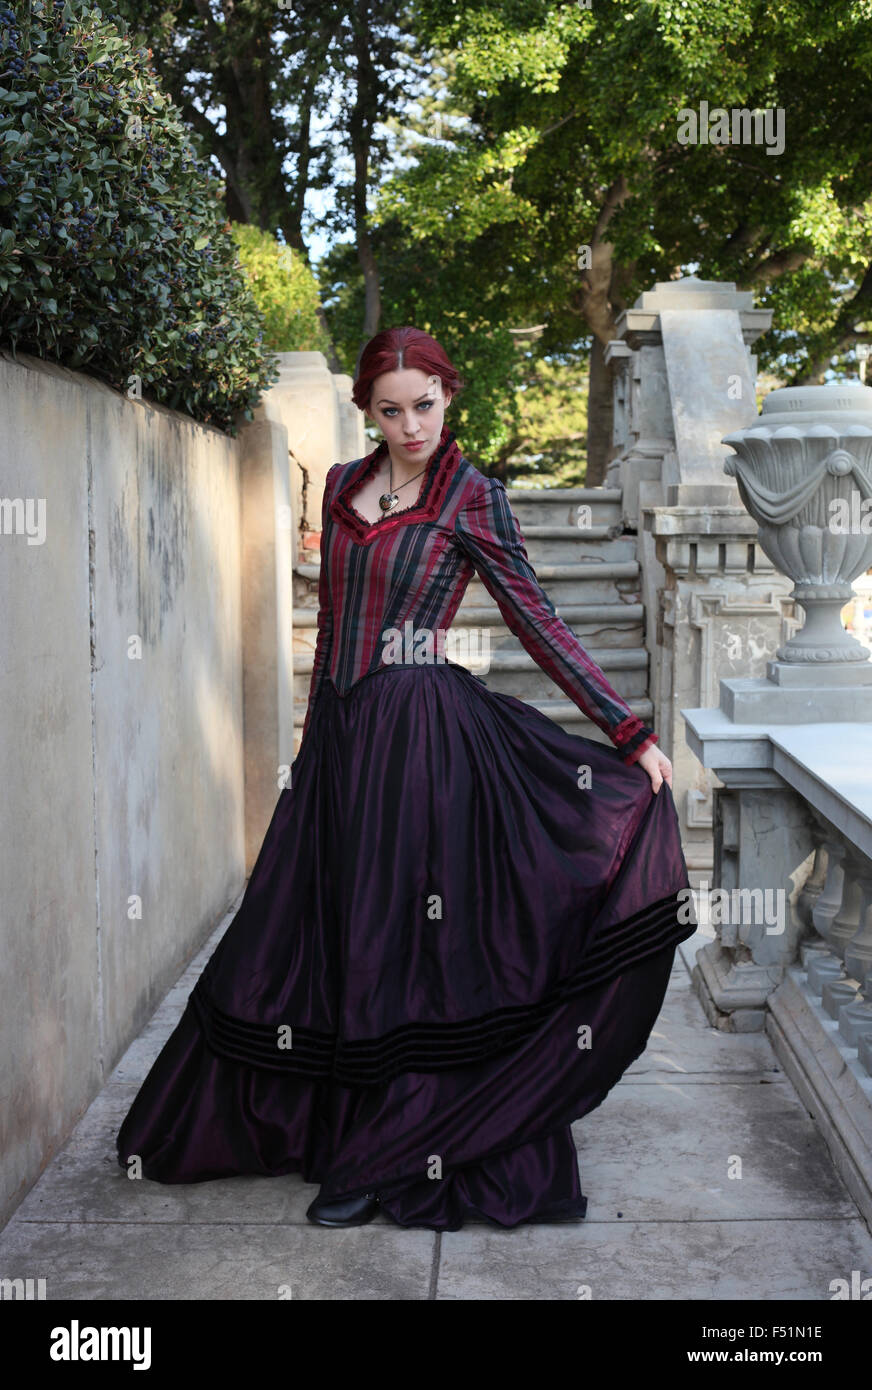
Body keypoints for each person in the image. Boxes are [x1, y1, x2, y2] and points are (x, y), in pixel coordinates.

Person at [116, 326, 696, 1231]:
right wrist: (317, 738)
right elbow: (337, 614)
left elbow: (536, 619)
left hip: (420, 736)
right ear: (369, 412)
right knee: (307, 923)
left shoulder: (473, 497)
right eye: (390, 410)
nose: (411, 423)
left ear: (447, 395)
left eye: (424, 404)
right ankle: (311, 1127)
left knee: (399, 941)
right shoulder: (347, 486)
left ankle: (384, 1152)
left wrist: (627, 731)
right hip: (340, 735)